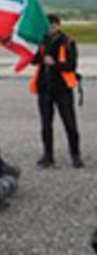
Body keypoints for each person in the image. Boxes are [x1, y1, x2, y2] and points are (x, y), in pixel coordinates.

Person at [33, 15, 83, 168]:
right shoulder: (41, 41)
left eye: (54, 25)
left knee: (70, 123)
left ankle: (75, 155)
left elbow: (72, 65)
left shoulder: (68, 42)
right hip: (44, 88)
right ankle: (48, 155)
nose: (51, 28)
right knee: (46, 124)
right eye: (49, 25)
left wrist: (55, 64)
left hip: (62, 89)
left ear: (59, 25)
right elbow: (34, 60)